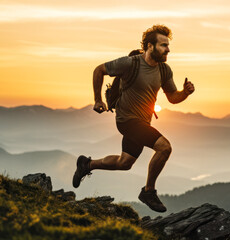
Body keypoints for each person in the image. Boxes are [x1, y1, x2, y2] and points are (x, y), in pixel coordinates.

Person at [72, 25, 195, 212]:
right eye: (163, 45)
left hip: (143, 122)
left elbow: (172, 97)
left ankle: (86, 164)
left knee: (125, 163)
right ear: (150, 46)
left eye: (168, 45)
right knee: (164, 147)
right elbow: (98, 70)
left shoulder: (164, 70)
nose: (168, 49)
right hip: (127, 121)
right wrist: (97, 100)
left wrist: (185, 93)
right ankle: (149, 191)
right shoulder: (130, 63)